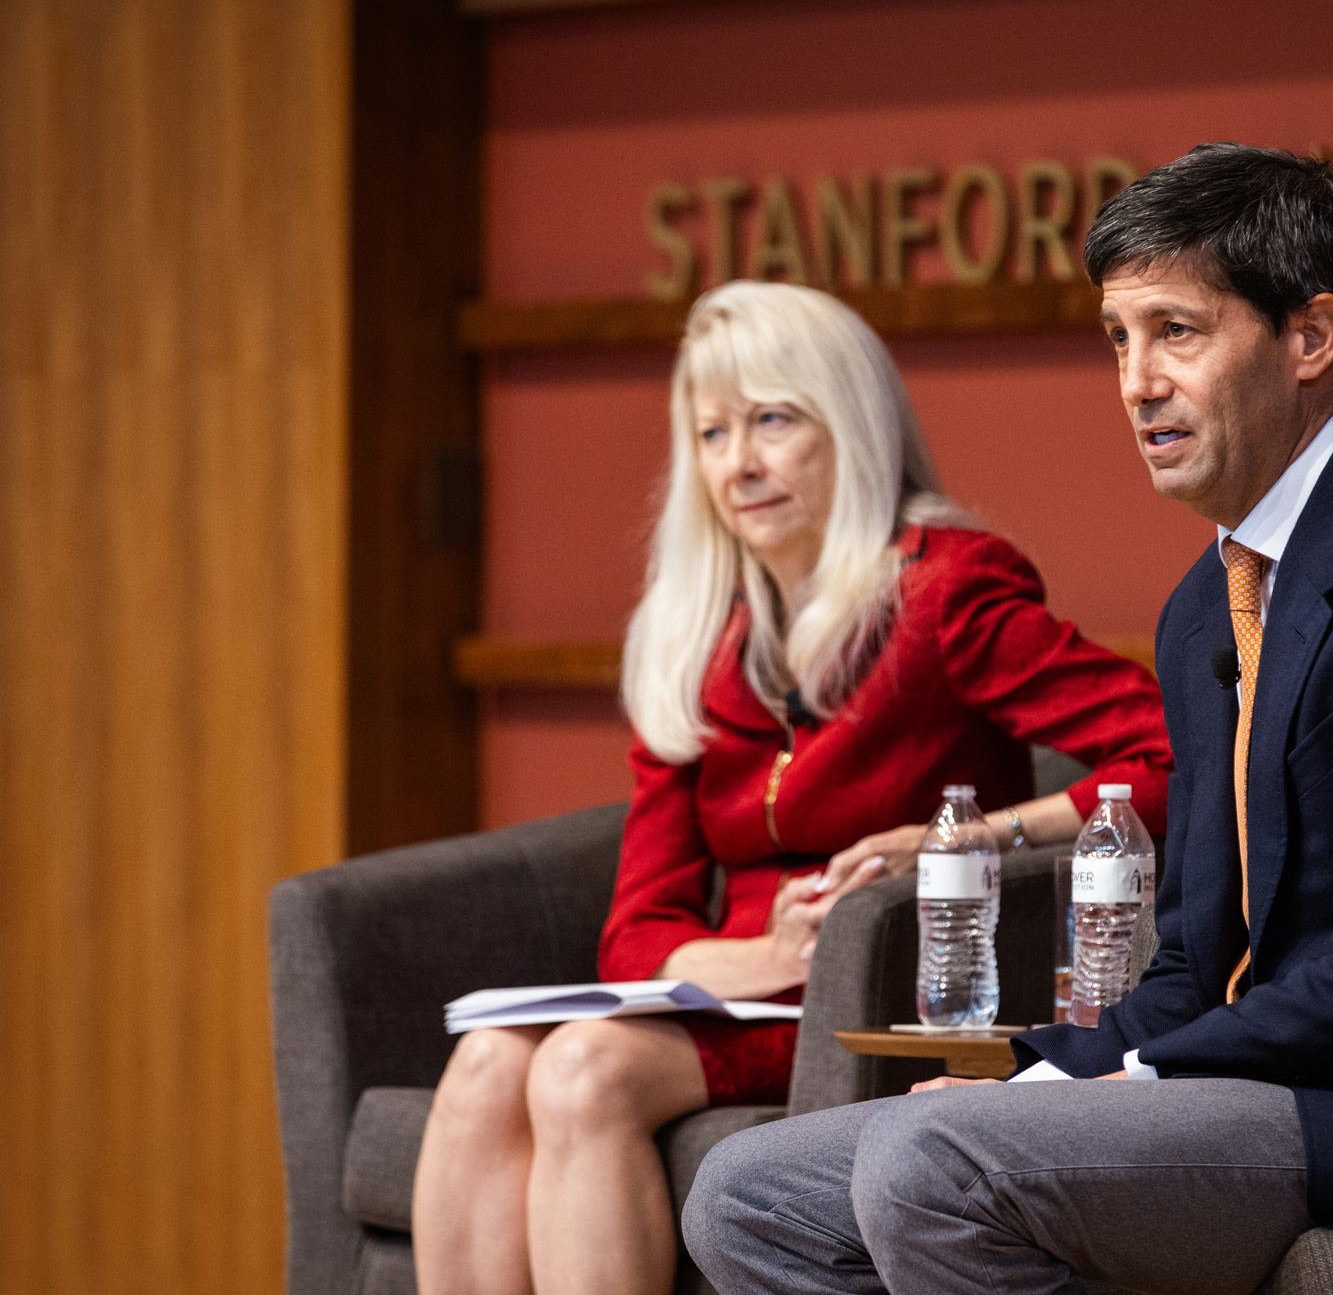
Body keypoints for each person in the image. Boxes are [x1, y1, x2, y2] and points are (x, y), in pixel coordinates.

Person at [683, 143, 1333, 1294]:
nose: (1135, 382)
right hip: (1241, 1079)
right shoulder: (1205, 603)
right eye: (1117, 338)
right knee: (745, 1193)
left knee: (929, 1160)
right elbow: (1193, 960)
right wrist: (1045, 1077)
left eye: (1175, 331)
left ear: (1309, 336)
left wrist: (1126, 1079)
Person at [410, 280, 1172, 1295]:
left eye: (773, 420)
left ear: (849, 425)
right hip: (741, 990)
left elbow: (1168, 754)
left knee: (579, 1068)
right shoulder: (694, 630)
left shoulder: (943, 587)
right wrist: (760, 955)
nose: (739, 463)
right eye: (712, 432)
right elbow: (636, 931)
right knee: (483, 1067)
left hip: (891, 990)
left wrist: (976, 834)